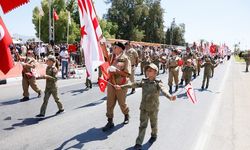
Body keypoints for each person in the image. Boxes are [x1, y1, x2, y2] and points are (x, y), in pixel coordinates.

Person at [114, 63, 176, 150]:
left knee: (153, 124)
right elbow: (133, 84)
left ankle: (154, 135)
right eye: (147, 70)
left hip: (153, 108)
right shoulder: (144, 81)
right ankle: (138, 143)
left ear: (155, 73)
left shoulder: (158, 83)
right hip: (144, 107)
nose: (148, 71)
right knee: (142, 125)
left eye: (150, 70)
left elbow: (164, 90)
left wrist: (170, 96)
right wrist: (121, 86)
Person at [102, 42, 131, 132]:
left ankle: (126, 115)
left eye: (115, 47)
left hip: (121, 83)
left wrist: (116, 70)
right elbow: (103, 55)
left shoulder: (125, 59)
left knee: (122, 102)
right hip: (111, 83)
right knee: (109, 102)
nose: (113, 48)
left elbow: (127, 74)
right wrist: (102, 45)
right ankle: (110, 121)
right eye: (113, 47)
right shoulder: (111, 56)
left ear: (121, 49)